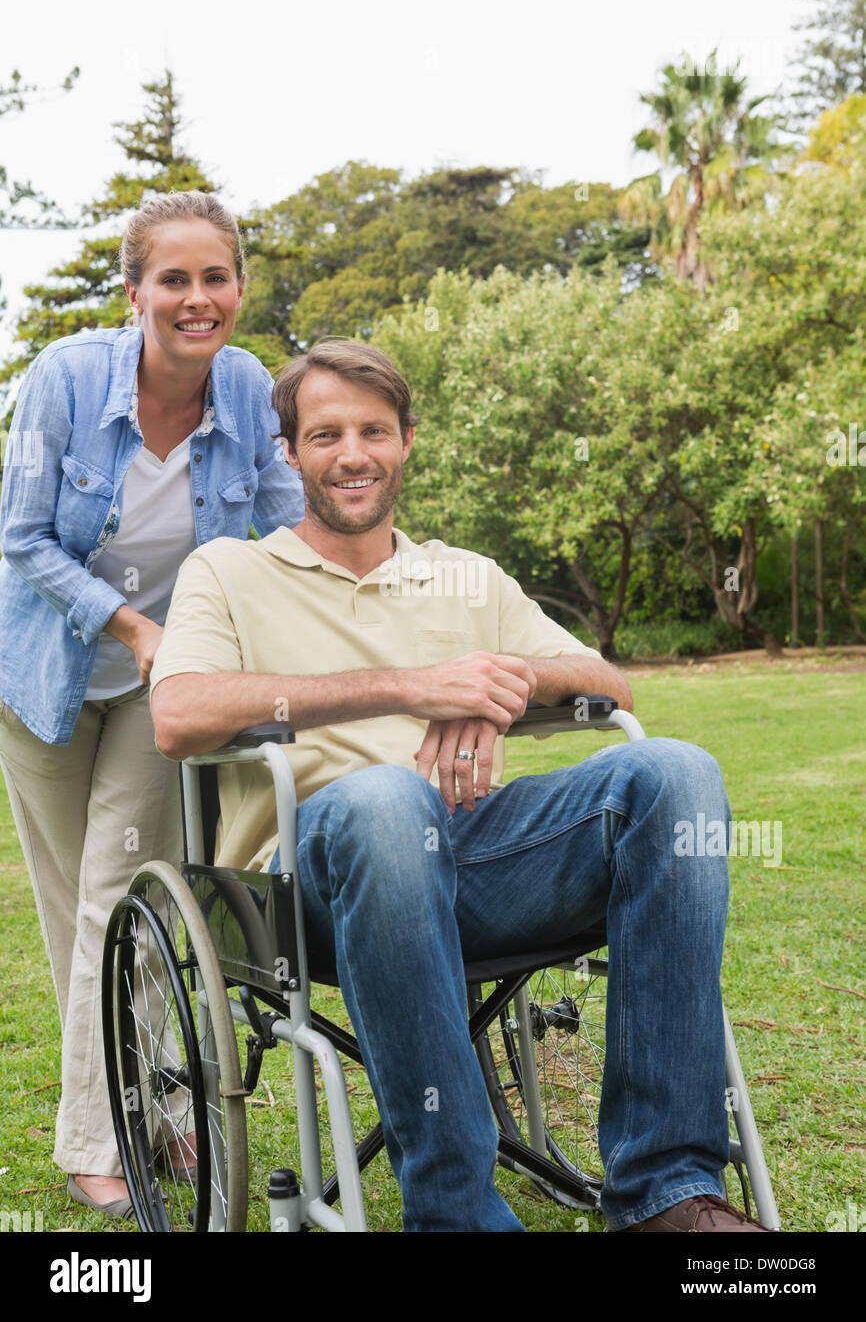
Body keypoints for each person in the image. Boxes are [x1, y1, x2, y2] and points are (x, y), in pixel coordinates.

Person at [149, 337, 770, 1233]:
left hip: (478, 856)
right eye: (325, 435)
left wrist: (492, 681)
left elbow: (607, 683)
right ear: (288, 452)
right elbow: (178, 716)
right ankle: (455, 1216)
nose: (351, 455)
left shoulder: (464, 575)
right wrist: (409, 687)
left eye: (373, 431)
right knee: (386, 800)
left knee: (675, 771)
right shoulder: (230, 570)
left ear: (405, 441)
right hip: (308, 885)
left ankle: (669, 1192)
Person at [0, 190, 304, 1219]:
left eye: (214, 277)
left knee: (117, 889)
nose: (196, 298)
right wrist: (127, 622)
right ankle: (144, 1103)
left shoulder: (251, 389)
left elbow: (286, 524)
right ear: (134, 292)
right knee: (72, 905)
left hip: (157, 680)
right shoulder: (66, 380)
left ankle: (103, 1137)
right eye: (172, 279)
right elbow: (23, 537)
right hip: (40, 672)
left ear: (238, 288)